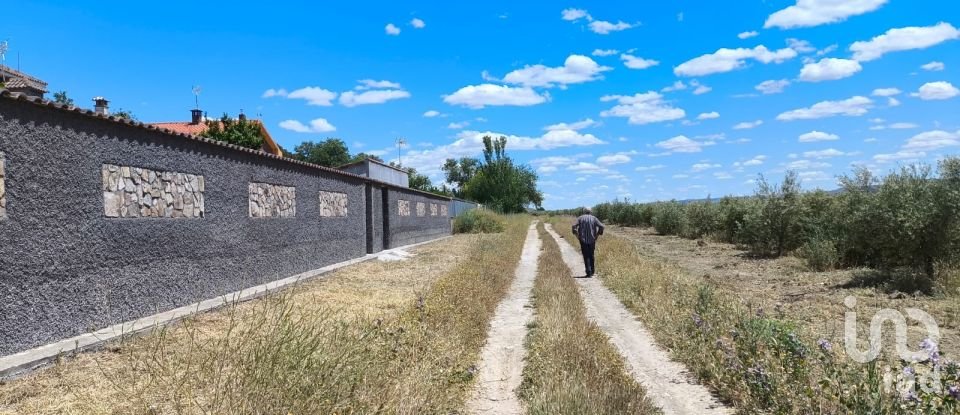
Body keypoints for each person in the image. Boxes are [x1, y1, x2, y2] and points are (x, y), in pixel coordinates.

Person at [572, 207, 605, 277]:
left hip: (583, 240)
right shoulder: (594, 218)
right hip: (592, 239)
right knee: (591, 255)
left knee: (586, 255)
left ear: (584, 211)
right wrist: (597, 235)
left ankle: (588, 272)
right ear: (591, 211)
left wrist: (577, 236)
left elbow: (573, 226)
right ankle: (592, 271)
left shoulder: (580, 218)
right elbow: (602, 226)